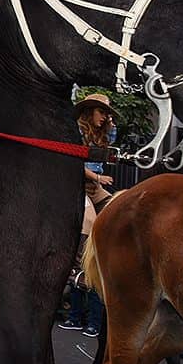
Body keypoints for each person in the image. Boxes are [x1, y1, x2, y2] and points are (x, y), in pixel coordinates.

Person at [60, 93, 116, 337]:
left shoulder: (103, 134)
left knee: (115, 208)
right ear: (90, 111)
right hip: (76, 184)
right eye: (102, 112)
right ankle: (81, 265)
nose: (105, 117)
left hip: (95, 187)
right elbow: (74, 163)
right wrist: (97, 177)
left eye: (107, 113)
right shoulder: (76, 132)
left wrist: (110, 124)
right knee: (91, 220)